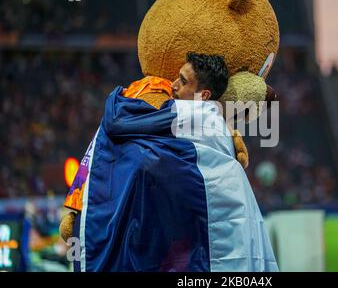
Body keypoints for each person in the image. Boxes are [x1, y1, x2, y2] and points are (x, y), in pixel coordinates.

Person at [63, 52, 278, 272]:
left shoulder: (193, 112)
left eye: (183, 81)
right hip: (235, 239)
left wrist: (116, 95)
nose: (173, 85)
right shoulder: (217, 124)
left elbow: (119, 122)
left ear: (203, 95)